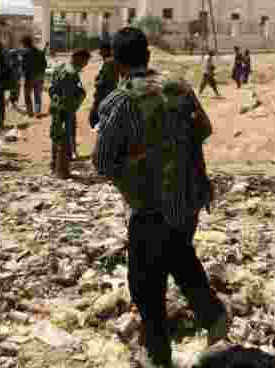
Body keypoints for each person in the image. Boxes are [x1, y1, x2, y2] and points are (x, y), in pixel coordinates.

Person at [92, 27, 228, 367]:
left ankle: (159, 354)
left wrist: (139, 159)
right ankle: (211, 315)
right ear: (148, 56)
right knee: (178, 255)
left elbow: (103, 161)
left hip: (149, 207)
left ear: (117, 63)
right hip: (188, 198)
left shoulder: (120, 100)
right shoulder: (179, 88)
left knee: (145, 282)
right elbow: (205, 130)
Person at [50, 49, 90, 176]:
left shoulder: (60, 67)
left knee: (56, 136)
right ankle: (62, 171)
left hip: (57, 107)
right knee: (64, 139)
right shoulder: (71, 73)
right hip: (65, 110)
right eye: (85, 61)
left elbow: (52, 89)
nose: (86, 65)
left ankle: (55, 165)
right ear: (78, 58)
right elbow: (68, 97)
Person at [89, 40, 118, 129]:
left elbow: (105, 80)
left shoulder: (109, 62)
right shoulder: (111, 61)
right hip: (107, 93)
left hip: (104, 94)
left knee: (94, 118)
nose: (100, 53)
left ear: (106, 50)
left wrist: (97, 81)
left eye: (101, 50)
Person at [21, 35, 47, 118]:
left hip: (30, 76)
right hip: (40, 76)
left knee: (27, 95)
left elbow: (23, 66)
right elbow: (45, 64)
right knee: (37, 95)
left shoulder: (25, 53)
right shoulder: (39, 51)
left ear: (24, 43)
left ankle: (30, 113)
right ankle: (37, 112)